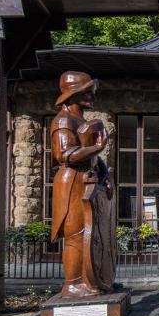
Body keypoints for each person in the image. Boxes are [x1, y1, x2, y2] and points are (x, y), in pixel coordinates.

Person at [49, 71, 116, 297]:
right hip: (72, 183)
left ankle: (89, 280)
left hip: (86, 180)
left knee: (88, 234)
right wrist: (97, 148)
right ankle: (72, 283)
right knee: (75, 235)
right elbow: (64, 154)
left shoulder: (81, 120)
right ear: (73, 93)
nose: (91, 96)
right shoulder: (63, 120)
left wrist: (105, 173)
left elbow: (93, 159)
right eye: (86, 92)